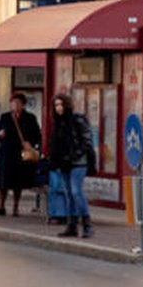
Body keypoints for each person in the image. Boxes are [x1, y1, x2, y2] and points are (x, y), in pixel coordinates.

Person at [49, 92, 94, 238]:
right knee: (68, 194)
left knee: (76, 192)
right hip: (64, 163)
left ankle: (87, 224)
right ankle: (72, 225)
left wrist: (75, 155)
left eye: (61, 104)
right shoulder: (57, 123)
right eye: (56, 105)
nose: (59, 108)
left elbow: (86, 141)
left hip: (78, 162)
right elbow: (55, 144)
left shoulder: (77, 120)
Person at [0, 92, 41, 217]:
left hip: (20, 154)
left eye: (18, 103)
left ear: (23, 105)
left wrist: (31, 144)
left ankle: (15, 206)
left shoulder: (30, 118)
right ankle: (1, 206)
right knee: (3, 182)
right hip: (6, 153)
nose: (15, 106)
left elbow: (37, 136)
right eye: (13, 103)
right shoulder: (5, 117)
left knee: (17, 182)